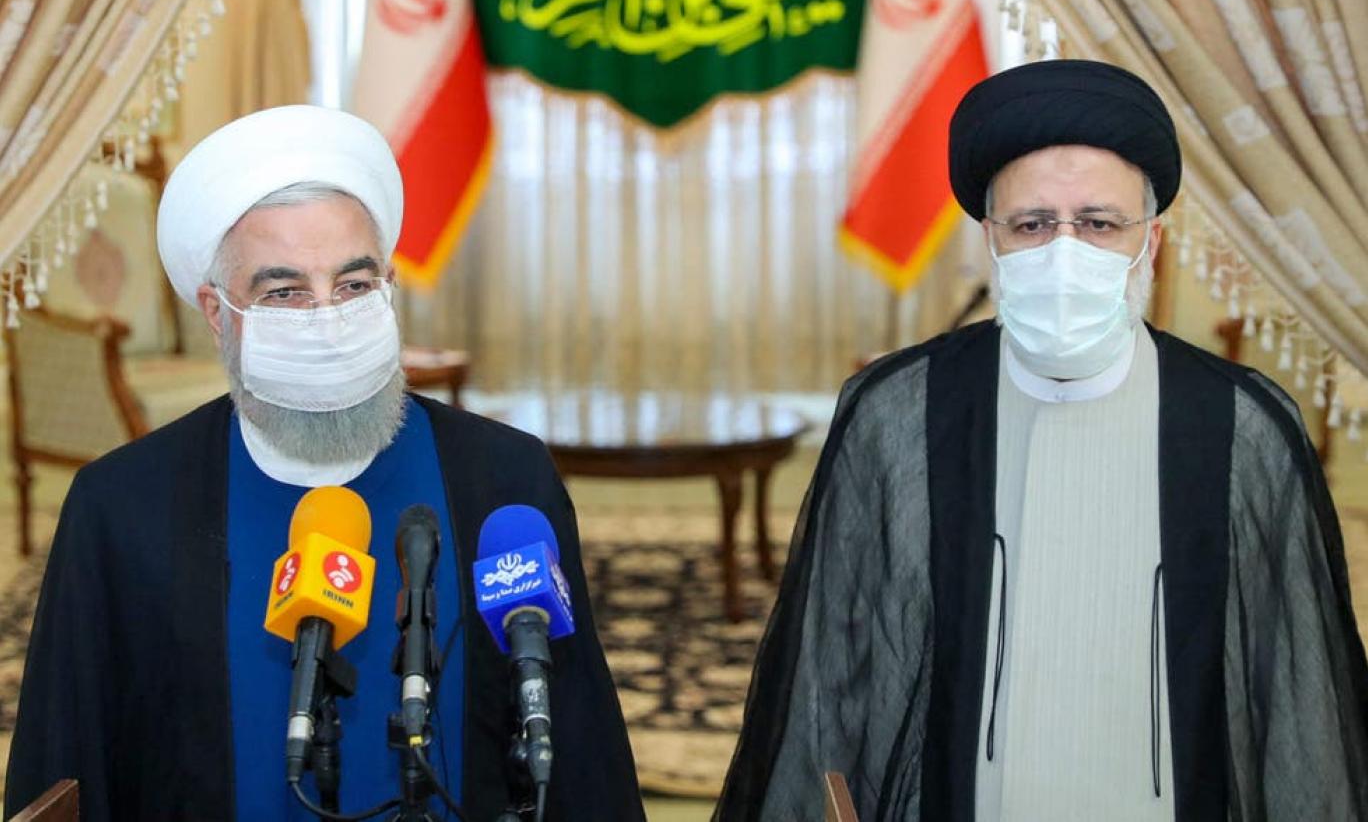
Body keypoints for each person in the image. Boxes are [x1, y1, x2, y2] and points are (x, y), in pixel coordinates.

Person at [716, 60, 1368, 821]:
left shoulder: (1240, 423)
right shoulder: (899, 410)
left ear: (1151, 241)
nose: (1065, 250)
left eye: (1098, 223)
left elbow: (1295, 695)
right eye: (1032, 224)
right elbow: (830, 677)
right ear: (990, 240)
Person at [4, 106, 645, 822]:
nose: (327, 319)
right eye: (284, 292)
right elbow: (65, 765)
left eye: (353, 284)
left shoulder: (506, 481)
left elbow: (580, 750)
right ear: (217, 313)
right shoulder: (121, 508)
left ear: (389, 285)